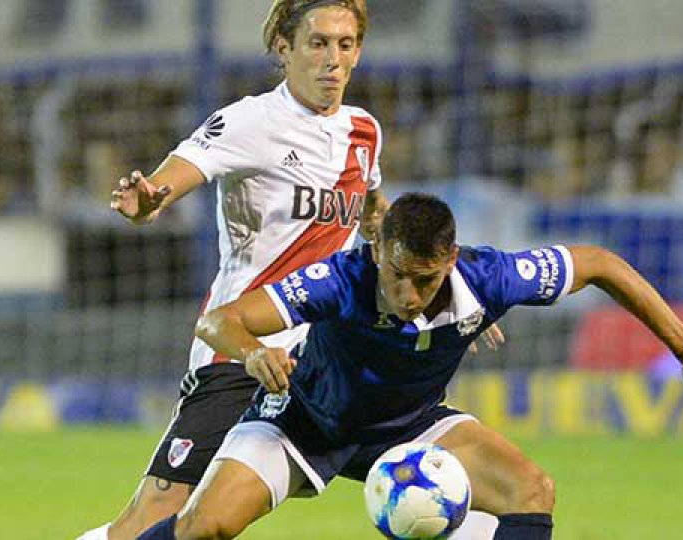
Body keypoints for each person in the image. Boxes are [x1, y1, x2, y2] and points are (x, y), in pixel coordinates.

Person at [78, 3, 500, 539]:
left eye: (345, 46)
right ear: (284, 48)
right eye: (318, 44)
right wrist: (148, 200)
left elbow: (376, 219)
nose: (333, 60)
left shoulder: (363, 131)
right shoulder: (250, 121)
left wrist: (453, 290)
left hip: (327, 356)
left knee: (462, 487)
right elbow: (169, 184)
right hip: (244, 348)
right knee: (160, 515)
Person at [134, 192, 683, 540]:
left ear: (450, 259)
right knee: (202, 530)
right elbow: (218, 321)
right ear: (377, 253)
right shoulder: (339, 280)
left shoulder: (490, 277)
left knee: (533, 491)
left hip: (410, 425)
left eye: (425, 280)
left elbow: (601, 263)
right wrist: (253, 350)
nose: (408, 294)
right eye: (397, 276)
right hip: (306, 420)